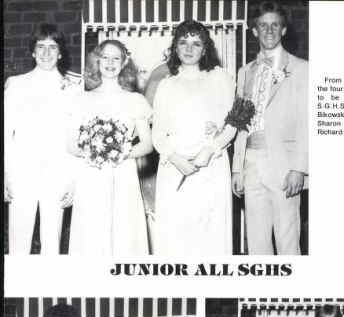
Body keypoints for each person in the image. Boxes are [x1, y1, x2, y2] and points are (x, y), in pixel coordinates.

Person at [152, 20, 236, 256]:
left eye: (196, 43)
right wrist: (175, 158)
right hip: (175, 167)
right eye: (183, 42)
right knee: (177, 235)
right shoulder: (166, 85)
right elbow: (157, 133)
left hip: (210, 166)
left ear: (205, 49)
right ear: (175, 48)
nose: (189, 49)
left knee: (209, 234)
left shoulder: (220, 78)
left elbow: (232, 123)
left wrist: (210, 150)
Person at [232, 1, 308, 255]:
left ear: (283, 30)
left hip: (283, 164)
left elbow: (307, 121)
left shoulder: (300, 69)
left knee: (287, 239)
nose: (268, 31)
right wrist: (237, 169)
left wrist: (299, 168)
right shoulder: (245, 72)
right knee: (256, 241)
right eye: (263, 26)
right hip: (251, 163)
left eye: (275, 25)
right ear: (254, 31)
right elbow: (240, 122)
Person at [67, 40, 152, 256]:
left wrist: (120, 153)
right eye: (105, 57)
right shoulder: (81, 99)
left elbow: (147, 144)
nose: (110, 62)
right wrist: (96, 152)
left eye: (116, 58)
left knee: (124, 232)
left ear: (124, 63)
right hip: (92, 174)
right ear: (97, 60)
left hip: (124, 174)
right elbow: (70, 144)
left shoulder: (135, 100)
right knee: (93, 233)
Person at [4, 23, 77, 254]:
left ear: (61, 52)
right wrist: (5, 174)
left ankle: (50, 288)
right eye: (41, 46)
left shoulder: (73, 88)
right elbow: (6, 132)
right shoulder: (15, 84)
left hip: (57, 172)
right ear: (33, 51)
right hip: (21, 171)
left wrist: (72, 180)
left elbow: (75, 137)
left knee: (51, 240)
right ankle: (17, 289)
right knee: (18, 238)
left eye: (52, 47)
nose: (46, 53)